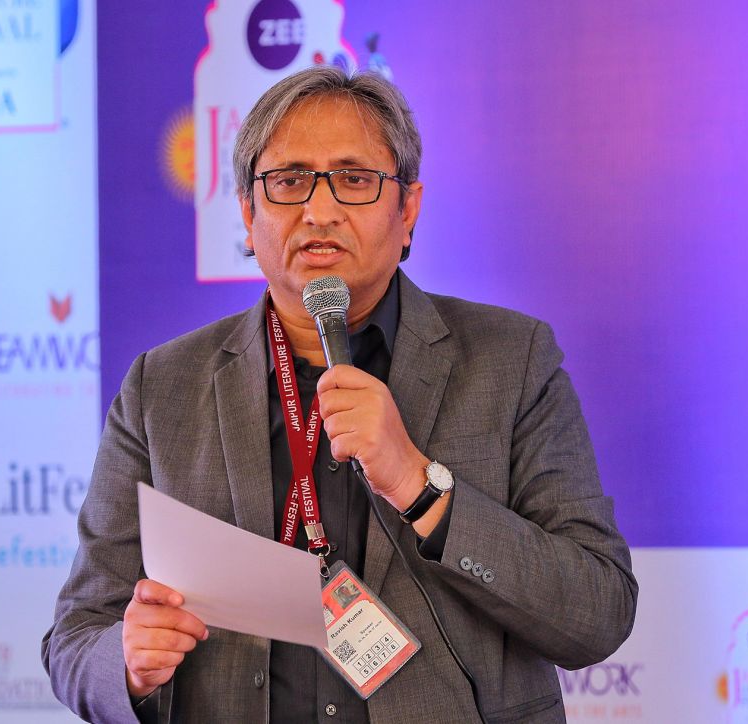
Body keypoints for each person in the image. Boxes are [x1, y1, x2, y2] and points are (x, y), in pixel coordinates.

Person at [43, 66, 637, 723]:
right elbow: (77, 637)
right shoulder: (162, 388)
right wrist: (129, 662)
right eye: (289, 180)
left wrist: (421, 486)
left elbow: (597, 611)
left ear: (407, 210)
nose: (319, 210)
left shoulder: (510, 361)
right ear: (247, 212)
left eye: (354, 179)